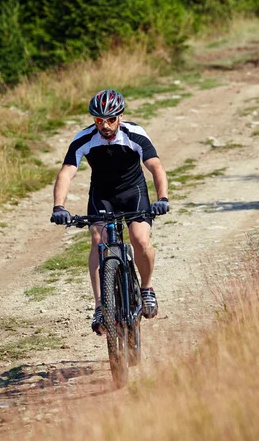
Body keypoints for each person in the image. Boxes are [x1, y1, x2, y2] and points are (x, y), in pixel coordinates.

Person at [50, 88, 169, 335]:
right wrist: (59, 206)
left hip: (133, 192)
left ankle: (146, 289)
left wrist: (162, 198)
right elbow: (67, 172)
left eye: (111, 119)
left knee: (140, 239)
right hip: (102, 195)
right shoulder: (84, 138)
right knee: (98, 240)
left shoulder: (134, 134)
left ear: (120, 116)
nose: (105, 125)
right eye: (99, 120)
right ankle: (101, 306)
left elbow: (155, 166)